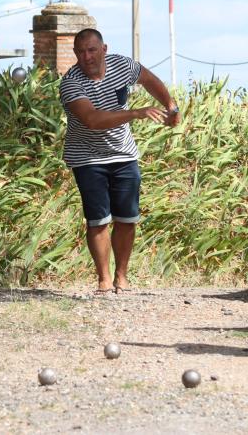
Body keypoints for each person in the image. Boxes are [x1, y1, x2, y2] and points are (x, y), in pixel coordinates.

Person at [59, 28, 181, 296]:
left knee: (127, 218)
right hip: (87, 157)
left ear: (104, 49)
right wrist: (136, 113)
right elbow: (92, 120)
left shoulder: (121, 65)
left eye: (91, 50)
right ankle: (103, 280)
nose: (86, 56)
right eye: (80, 52)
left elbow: (149, 80)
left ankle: (121, 277)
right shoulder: (71, 83)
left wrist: (171, 106)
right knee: (98, 220)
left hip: (124, 154)